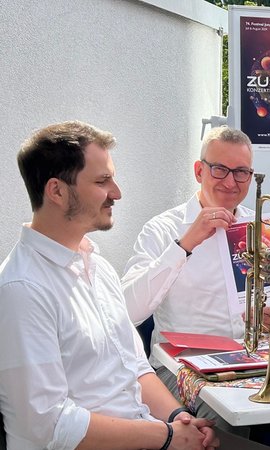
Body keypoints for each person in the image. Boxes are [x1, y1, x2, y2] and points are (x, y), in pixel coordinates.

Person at [0, 121, 219, 449]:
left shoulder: (97, 268)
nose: (117, 192)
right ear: (57, 191)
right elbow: (48, 425)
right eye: (103, 181)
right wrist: (167, 436)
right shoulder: (22, 289)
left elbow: (136, 368)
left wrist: (179, 420)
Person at [121, 126, 270, 439]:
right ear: (199, 171)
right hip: (183, 370)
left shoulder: (260, 226)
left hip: (253, 364)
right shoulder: (163, 229)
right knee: (228, 422)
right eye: (220, 170)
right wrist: (185, 245)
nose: (231, 182)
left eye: (242, 172)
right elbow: (127, 310)